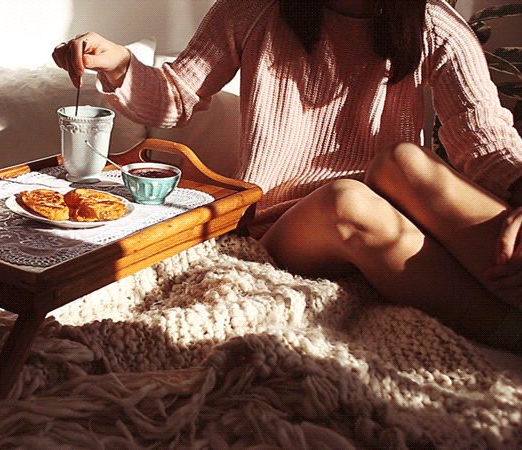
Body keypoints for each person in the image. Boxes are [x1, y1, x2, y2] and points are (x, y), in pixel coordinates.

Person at [52, 0, 522, 353]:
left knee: (403, 160)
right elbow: (177, 96)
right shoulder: (255, 8)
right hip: (288, 228)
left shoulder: (433, 24)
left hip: (390, 228)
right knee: (347, 200)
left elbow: (485, 140)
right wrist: (118, 64)